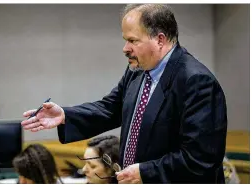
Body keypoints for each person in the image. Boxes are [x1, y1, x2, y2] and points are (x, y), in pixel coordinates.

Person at [21, 4, 227, 183]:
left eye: (132, 40)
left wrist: (145, 173)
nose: (125, 48)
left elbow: (200, 160)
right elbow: (110, 108)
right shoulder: (137, 71)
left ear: (160, 40)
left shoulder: (197, 82)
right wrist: (65, 115)